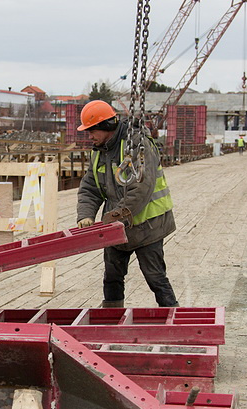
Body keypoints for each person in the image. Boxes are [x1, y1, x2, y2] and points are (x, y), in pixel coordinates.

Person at [75, 100, 179, 308]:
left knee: (155, 277)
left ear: (105, 127)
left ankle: (172, 316)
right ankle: (110, 319)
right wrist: (85, 215)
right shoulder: (100, 151)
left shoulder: (136, 145)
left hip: (147, 225)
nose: (89, 136)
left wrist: (113, 218)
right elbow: (90, 186)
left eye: (92, 130)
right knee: (112, 276)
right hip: (117, 226)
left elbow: (141, 187)